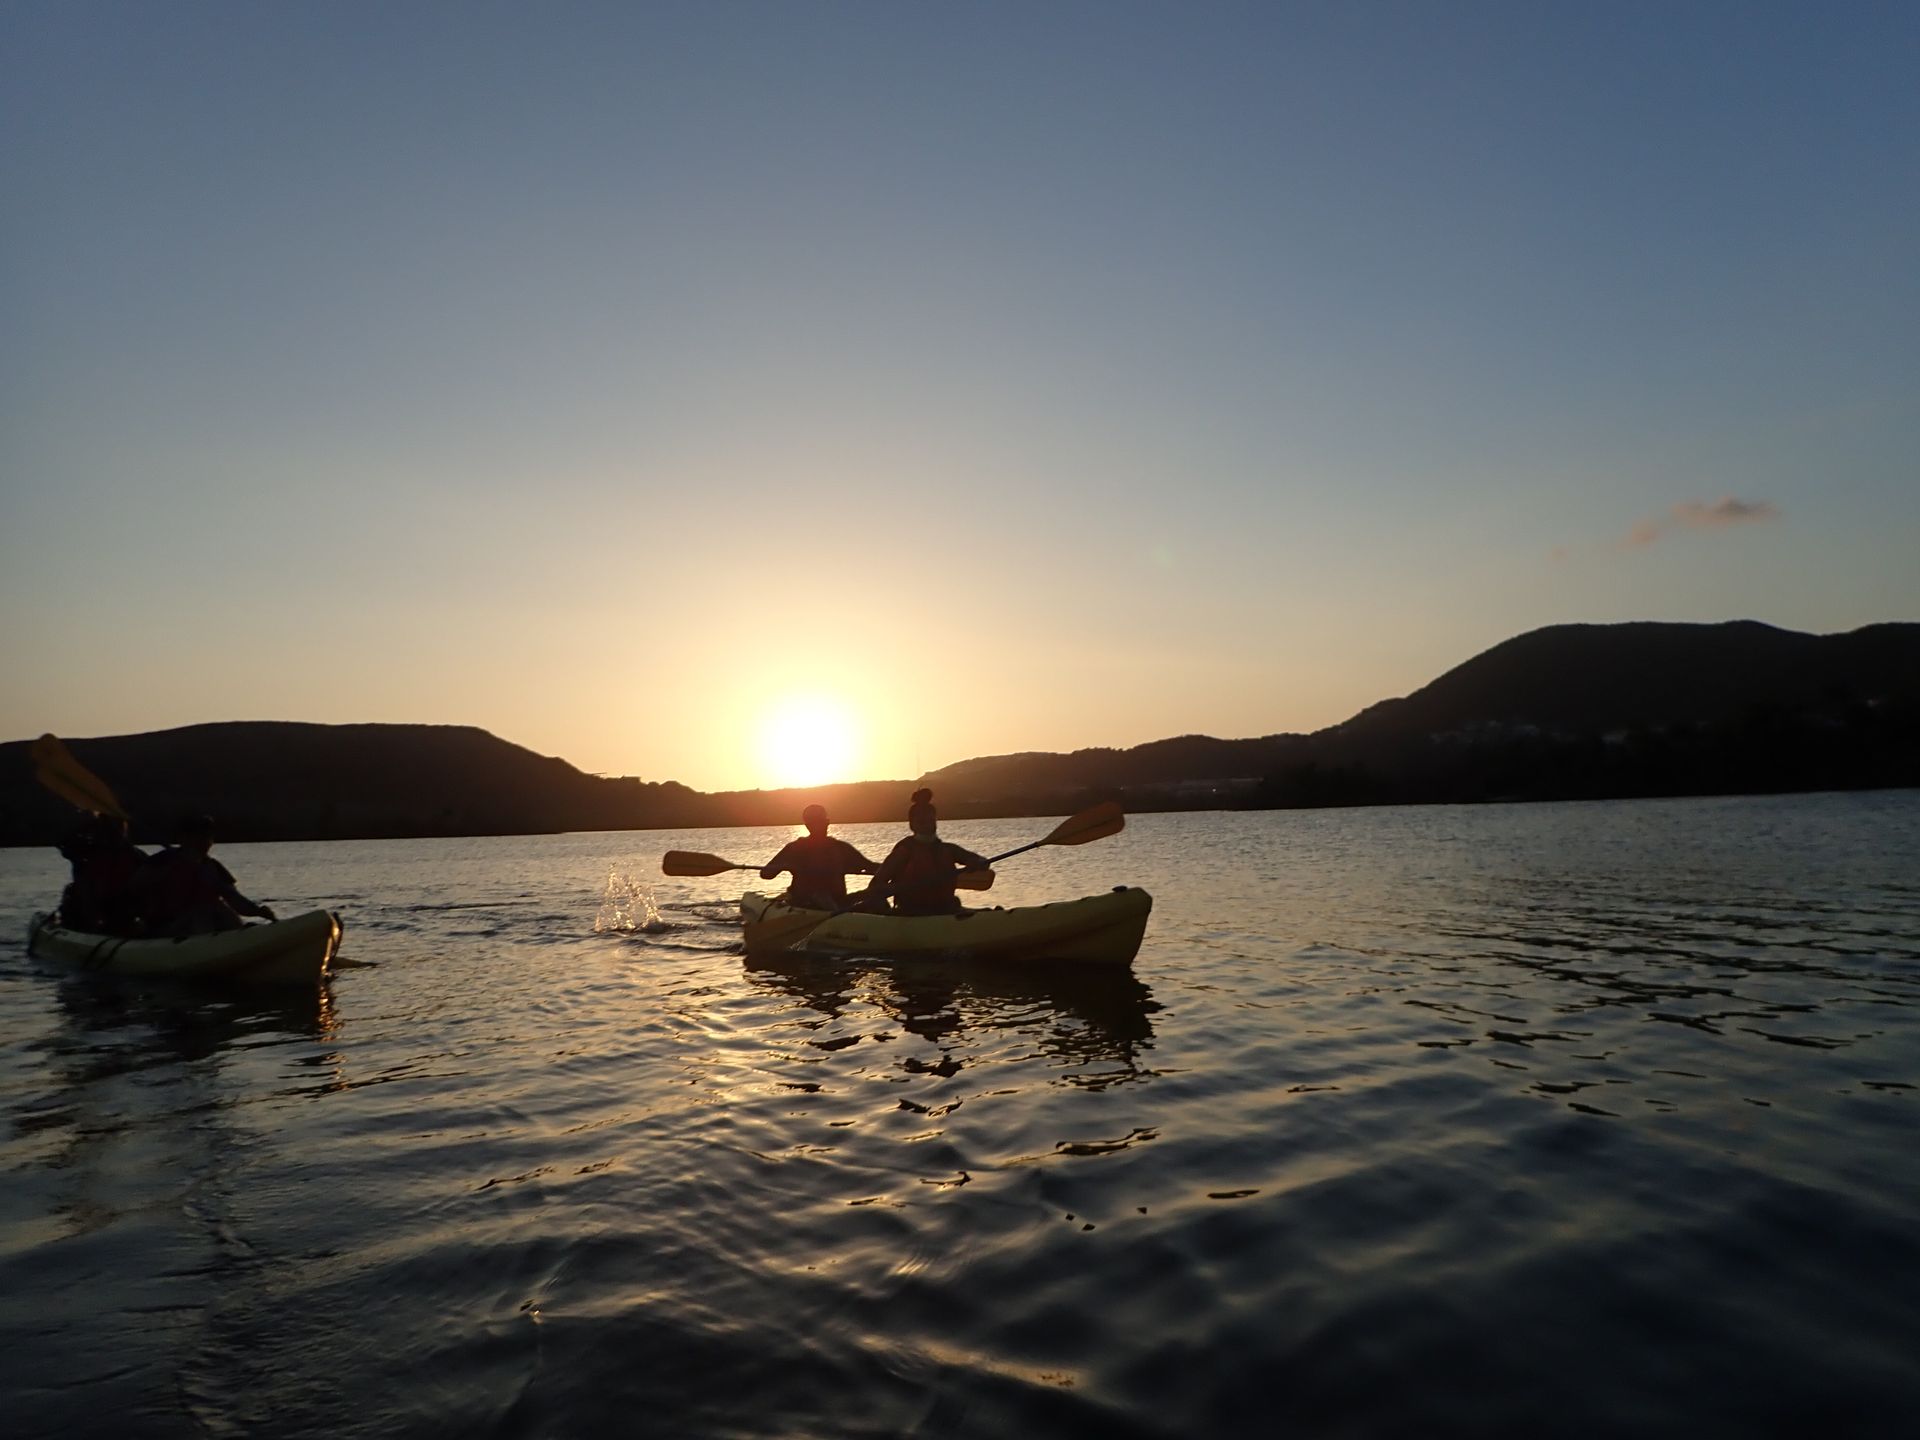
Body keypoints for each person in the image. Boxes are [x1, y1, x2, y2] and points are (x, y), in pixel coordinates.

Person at [136, 814, 277, 937]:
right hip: (165, 927)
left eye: (208, 837)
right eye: (200, 836)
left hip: (203, 925)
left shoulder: (213, 867)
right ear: (184, 838)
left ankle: (234, 936)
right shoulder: (161, 862)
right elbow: (135, 890)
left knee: (220, 909)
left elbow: (234, 898)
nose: (206, 842)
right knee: (202, 912)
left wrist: (259, 912)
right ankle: (208, 946)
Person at [867, 789, 990, 916]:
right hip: (912, 914)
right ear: (912, 825)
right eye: (922, 822)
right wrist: (887, 913)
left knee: (989, 912)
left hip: (947, 910)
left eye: (931, 821)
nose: (927, 826)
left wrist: (976, 862)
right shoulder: (903, 852)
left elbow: (984, 862)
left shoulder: (949, 849)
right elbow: (875, 886)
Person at [760, 804, 882, 911]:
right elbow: (766, 874)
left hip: (838, 903)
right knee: (820, 897)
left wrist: (894, 868)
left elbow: (870, 867)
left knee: (875, 895)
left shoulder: (841, 848)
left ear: (827, 822)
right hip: (803, 905)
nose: (818, 826)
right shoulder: (795, 849)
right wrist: (784, 865)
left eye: (819, 822)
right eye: (815, 822)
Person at [56, 814, 146, 935]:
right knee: (73, 892)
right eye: (111, 828)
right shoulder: (86, 853)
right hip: (93, 908)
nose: (116, 832)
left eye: (119, 827)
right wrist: (91, 823)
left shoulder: (136, 856)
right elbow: (63, 843)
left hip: (124, 909)